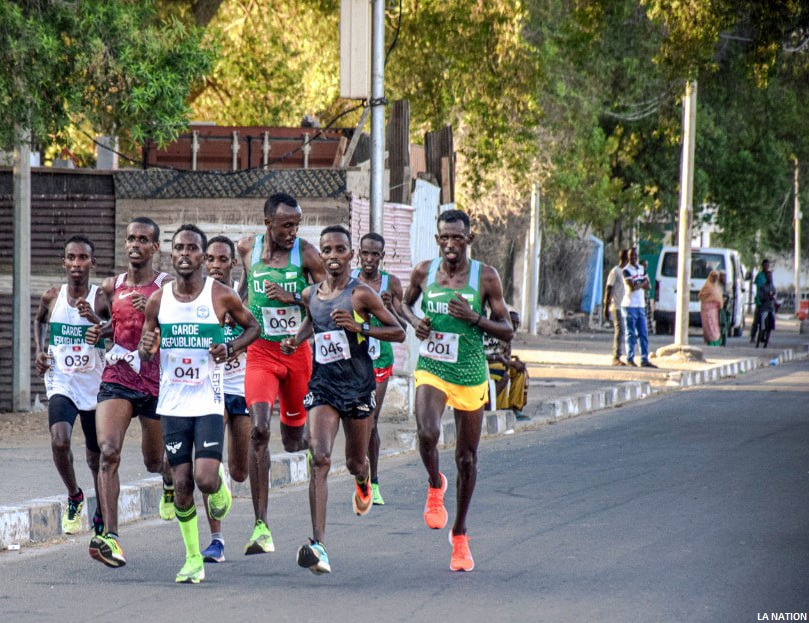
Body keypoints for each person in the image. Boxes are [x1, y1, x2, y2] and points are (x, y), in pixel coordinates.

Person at [138, 224, 260, 583]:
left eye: (192, 248)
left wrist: (230, 348)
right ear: (170, 254)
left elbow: (253, 328)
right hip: (173, 404)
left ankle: (219, 487)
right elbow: (148, 351)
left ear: (202, 257)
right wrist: (146, 349)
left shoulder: (220, 295)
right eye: (179, 248)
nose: (185, 254)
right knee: (181, 482)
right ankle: (193, 558)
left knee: (206, 480)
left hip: (208, 400)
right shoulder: (158, 300)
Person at [280, 225, 405, 574]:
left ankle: (363, 481)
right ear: (320, 256)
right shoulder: (310, 293)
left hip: (359, 386)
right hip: (324, 386)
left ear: (351, 255)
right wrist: (295, 338)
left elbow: (398, 331)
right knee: (319, 457)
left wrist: (359, 328)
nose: (333, 256)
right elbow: (313, 322)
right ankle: (318, 545)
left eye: (340, 249)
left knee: (354, 461)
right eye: (327, 250)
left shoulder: (361, 294)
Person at [401, 209, 513, 572]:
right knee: (427, 432)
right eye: (444, 238)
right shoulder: (424, 271)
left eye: (457, 238)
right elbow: (404, 303)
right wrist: (416, 322)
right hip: (433, 367)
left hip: (468, 372)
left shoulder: (486, 277)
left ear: (469, 240)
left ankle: (460, 534)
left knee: (467, 458)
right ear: (437, 240)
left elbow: (507, 328)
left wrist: (474, 318)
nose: (450, 244)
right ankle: (435, 485)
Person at [236, 192, 327, 555]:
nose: (293, 231)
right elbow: (243, 292)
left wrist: (293, 302)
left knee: (292, 441)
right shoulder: (247, 249)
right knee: (258, 430)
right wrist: (235, 326)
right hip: (260, 352)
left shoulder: (305, 254)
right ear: (267, 223)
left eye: (297, 224)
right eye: (287, 224)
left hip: (296, 354)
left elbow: (324, 299)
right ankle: (261, 526)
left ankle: (313, 452)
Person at [86, 217, 175, 568]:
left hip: (155, 381)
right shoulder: (112, 286)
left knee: (155, 461)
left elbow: (179, 329)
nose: (135, 245)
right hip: (118, 376)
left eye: (143, 239)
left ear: (155, 247)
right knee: (108, 451)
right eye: (130, 239)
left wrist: (156, 313)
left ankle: (169, 480)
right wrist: (100, 331)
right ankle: (111, 537)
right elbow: (115, 324)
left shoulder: (167, 287)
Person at [34, 236, 111, 536]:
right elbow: (40, 321)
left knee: (95, 457)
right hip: (61, 380)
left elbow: (118, 329)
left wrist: (98, 323)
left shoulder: (101, 298)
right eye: (71, 258)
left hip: (94, 383)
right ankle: (74, 496)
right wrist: (39, 351)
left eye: (83, 258)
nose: (77, 264)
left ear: (93, 262)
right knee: (59, 440)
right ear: (63, 262)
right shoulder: (52, 296)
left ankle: (102, 511)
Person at [199, 235, 251, 563]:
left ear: (232, 263)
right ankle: (216, 540)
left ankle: (228, 477)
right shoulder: (199, 298)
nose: (215, 265)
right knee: (208, 464)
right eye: (211, 259)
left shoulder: (242, 298)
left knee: (241, 469)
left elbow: (256, 329)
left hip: (243, 387)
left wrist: (234, 345)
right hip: (212, 388)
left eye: (222, 259)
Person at [350, 232, 406, 505]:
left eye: (375, 254)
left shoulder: (391, 284)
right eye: (365, 253)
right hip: (351, 360)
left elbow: (401, 328)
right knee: (355, 423)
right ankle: (360, 471)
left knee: (370, 422)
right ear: (359, 253)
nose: (369, 259)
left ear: (382, 257)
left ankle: (372, 482)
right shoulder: (349, 281)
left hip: (379, 360)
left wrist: (388, 307)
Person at [485, 310, 530, 420]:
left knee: (520, 371)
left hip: (501, 363)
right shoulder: (490, 332)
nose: (515, 326)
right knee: (504, 371)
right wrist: (510, 362)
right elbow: (488, 354)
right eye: (512, 322)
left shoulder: (507, 336)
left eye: (517, 323)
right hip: (488, 366)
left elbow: (504, 355)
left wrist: (513, 360)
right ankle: (501, 407)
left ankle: (515, 408)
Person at [621, 247, 656, 368]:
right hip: (629, 305)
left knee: (643, 334)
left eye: (635, 255)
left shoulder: (642, 269)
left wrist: (639, 284)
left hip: (641, 305)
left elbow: (649, 286)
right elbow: (632, 288)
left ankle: (644, 359)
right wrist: (642, 283)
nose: (633, 258)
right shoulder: (626, 271)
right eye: (631, 256)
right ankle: (630, 358)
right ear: (628, 257)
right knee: (630, 334)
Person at [603, 249, 628, 365]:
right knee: (620, 331)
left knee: (623, 331)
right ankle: (615, 357)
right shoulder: (615, 271)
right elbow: (608, 288)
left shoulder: (626, 272)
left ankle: (620, 356)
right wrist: (605, 306)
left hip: (623, 306)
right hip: (615, 305)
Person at [698, 270, 723, 346]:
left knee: (715, 327)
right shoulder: (707, 286)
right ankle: (711, 343)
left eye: (716, 277)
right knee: (709, 327)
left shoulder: (716, 286)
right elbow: (701, 296)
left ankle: (716, 342)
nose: (714, 278)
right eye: (713, 276)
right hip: (707, 310)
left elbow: (718, 297)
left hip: (714, 311)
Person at [750, 259, 770, 343]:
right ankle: (753, 336)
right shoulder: (760, 276)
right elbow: (758, 288)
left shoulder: (769, 276)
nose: (766, 267)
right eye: (765, 266)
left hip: (767, 303)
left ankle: (763, 336)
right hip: (760, 302)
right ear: (762, 266)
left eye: (767, 266)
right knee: (757, 321)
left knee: (767, 321)